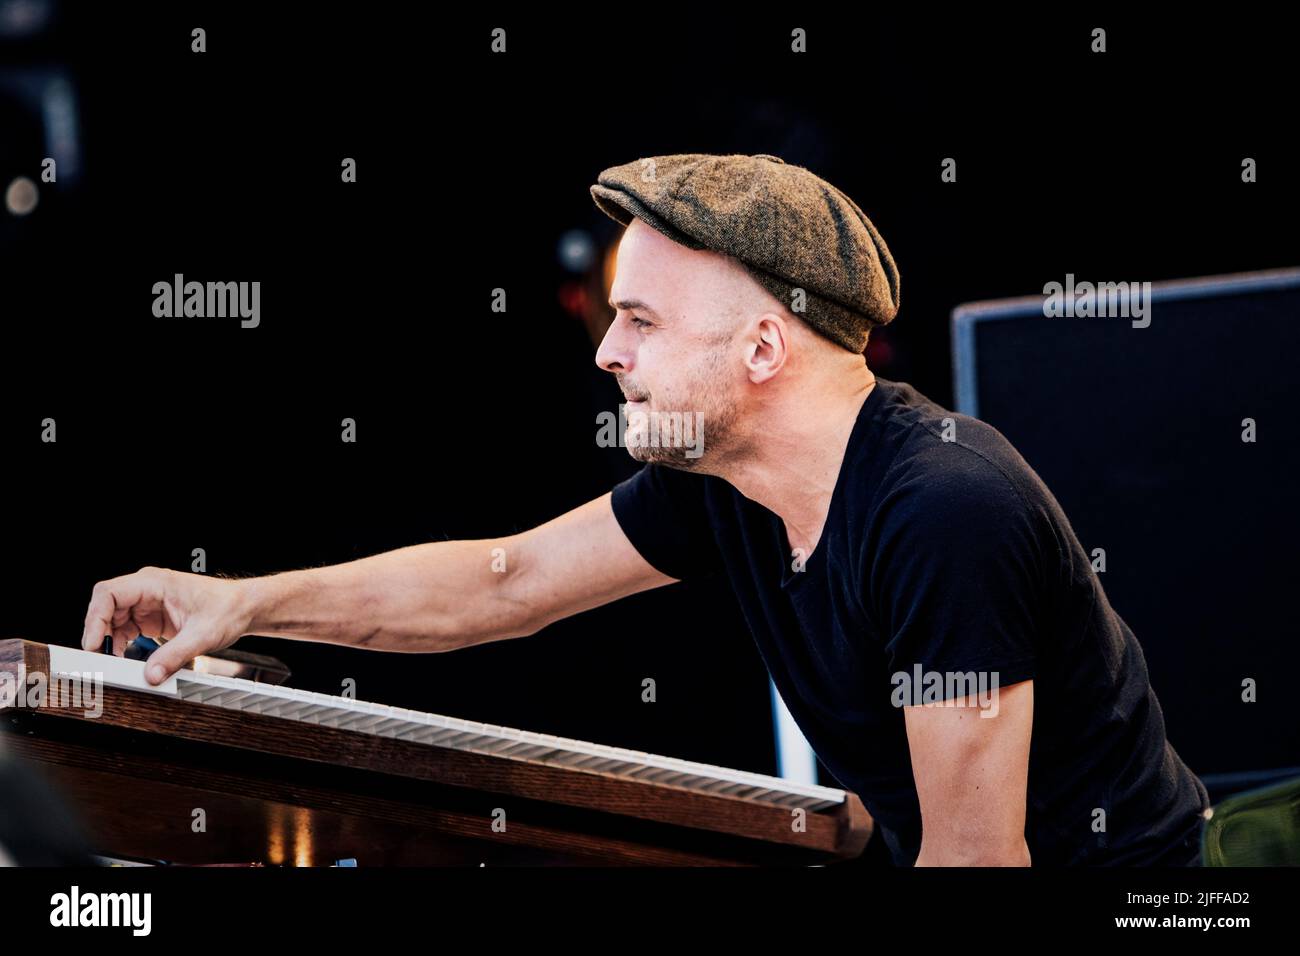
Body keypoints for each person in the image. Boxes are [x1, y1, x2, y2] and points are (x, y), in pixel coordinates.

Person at [81, 153, 1209, 866]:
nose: (608, 351)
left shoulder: (944, 511)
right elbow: (503, 583)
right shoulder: (718, 485)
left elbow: (976, 862)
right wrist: (239, 601)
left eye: (642, 322)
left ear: (764, 346)